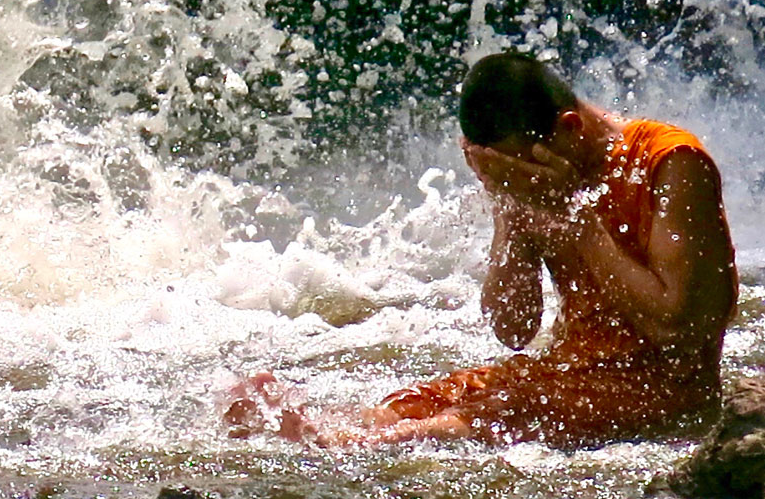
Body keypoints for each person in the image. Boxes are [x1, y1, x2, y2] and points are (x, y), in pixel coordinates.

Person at [224, 52, 738, 448]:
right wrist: (510, 210)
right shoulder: (536, 181)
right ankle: (342, 431)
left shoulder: (672, 162)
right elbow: (514, 330)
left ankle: (333, 448)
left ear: (568, 129)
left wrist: (575, 221)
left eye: (519, 169)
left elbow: (681, 329)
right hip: (566, 372)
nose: (520, 181)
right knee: (409, 403)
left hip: (663, 391)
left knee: (470, 421)